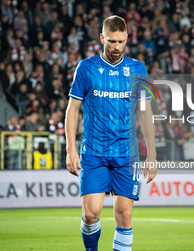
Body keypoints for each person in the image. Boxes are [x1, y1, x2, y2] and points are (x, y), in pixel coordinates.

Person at [65, 16, 157, 251]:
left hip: (126, 154)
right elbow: (72, 109)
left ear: (127, 39)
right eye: (112, 41)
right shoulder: (87, 68)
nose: (116, 47)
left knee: (124, 216)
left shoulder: (137, 69)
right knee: (91, 214)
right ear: (102, 38)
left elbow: (145, 113)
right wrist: (70, 149)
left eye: (121, 42)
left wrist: (152, 155)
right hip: (94, 152)